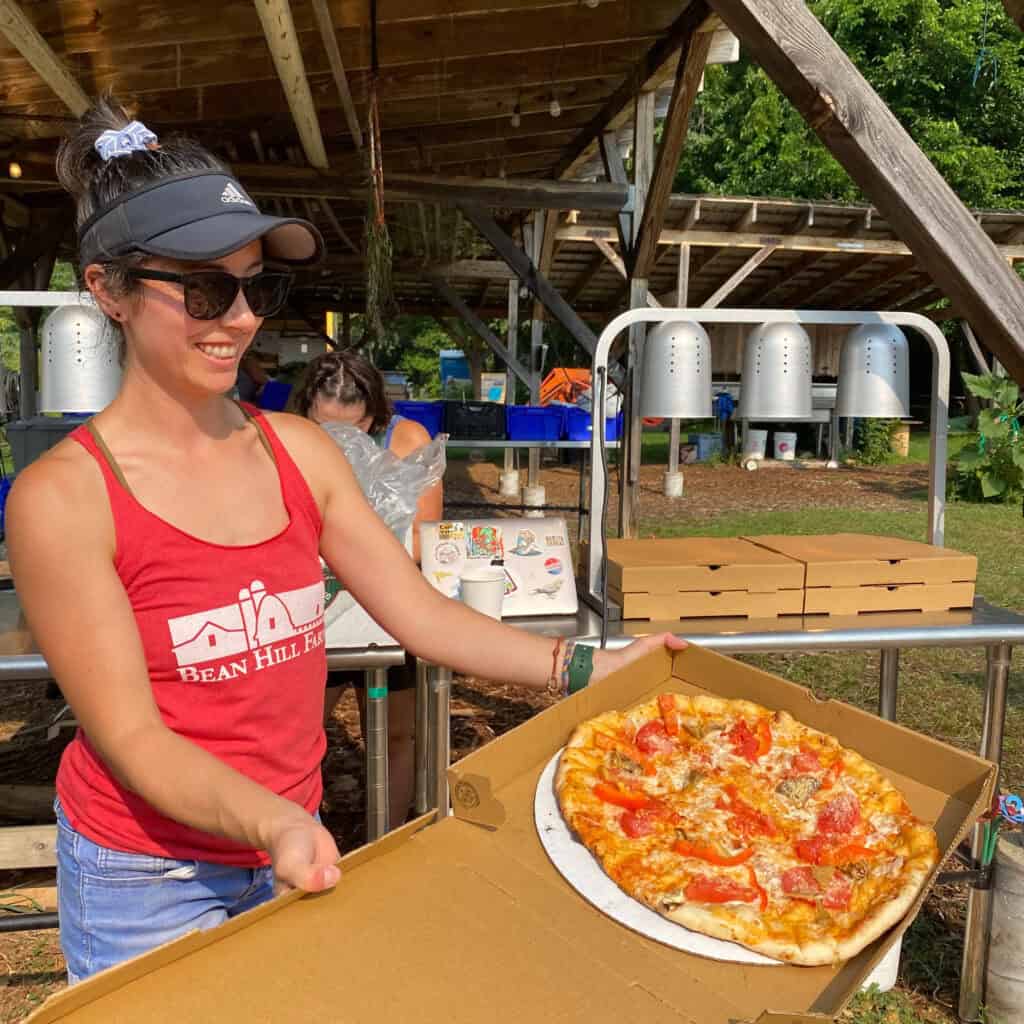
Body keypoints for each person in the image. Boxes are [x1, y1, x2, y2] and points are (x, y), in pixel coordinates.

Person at [6, 97, 683, 984]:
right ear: (109, 289)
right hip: (150, 873)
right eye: (206, 288)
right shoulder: (65, 499)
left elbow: (419, 613)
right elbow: (132, 737)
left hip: (289, 838)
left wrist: (584, 668)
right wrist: (274, 823)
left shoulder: (300, 452)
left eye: (260, 287)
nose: (241, 318)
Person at [291, 349, 442, 829]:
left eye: (351, 431)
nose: (335, 442)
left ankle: (388, 838)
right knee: (299, 734)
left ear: (375, 416)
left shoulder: (407, 440)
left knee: (399, 733)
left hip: (390, 605)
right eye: (323, 428)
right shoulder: (287, 439)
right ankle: (298, 834)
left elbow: (422, 538)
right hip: (320, 607)